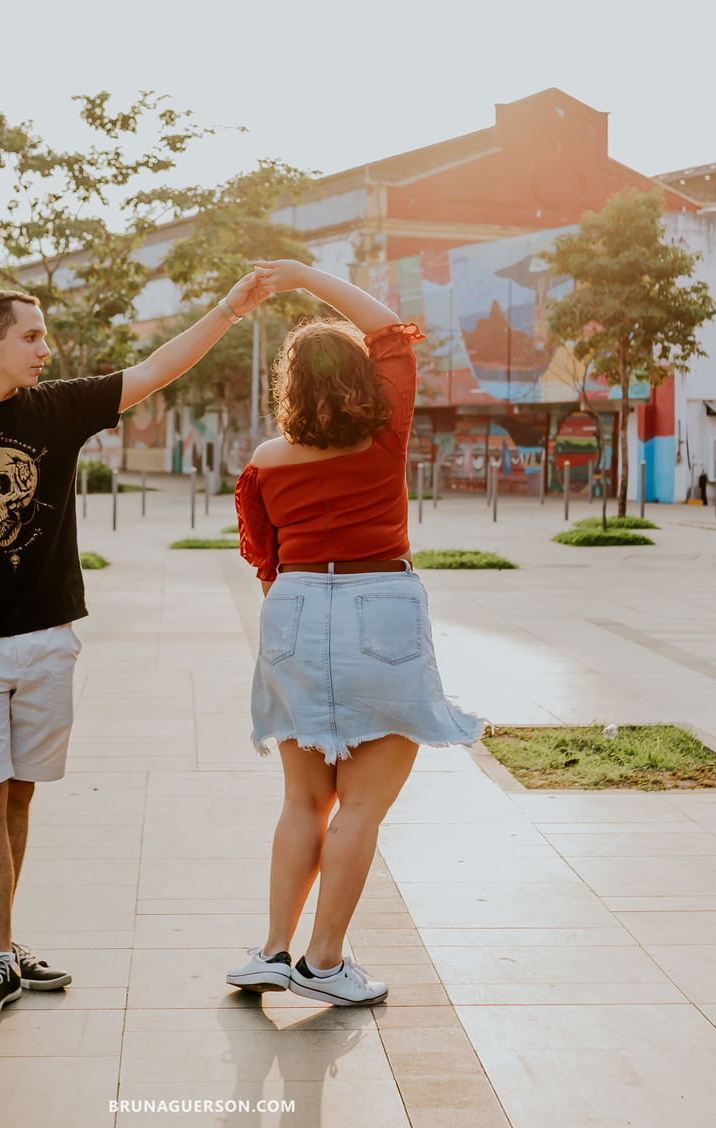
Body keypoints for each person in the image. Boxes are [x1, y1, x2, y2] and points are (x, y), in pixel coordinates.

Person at [0, 276, 266, 1022]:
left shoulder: (56, 409)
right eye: (32, 336)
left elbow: (155, 369)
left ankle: (1, 942)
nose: (44, 349)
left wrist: (227, 309)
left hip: (49, 638)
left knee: (19, 793)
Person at [226, 260, 482, 1008]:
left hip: (297, 612)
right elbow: (393, 332)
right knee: (362, 806)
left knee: (304, 801)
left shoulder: (265, 464)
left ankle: (273, 952)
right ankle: (325, 964)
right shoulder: (385, 434)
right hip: (381, 604)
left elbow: (265, 563)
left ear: (289, 388)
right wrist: (306, 275)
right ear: (363, 382)